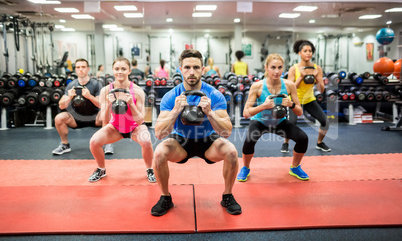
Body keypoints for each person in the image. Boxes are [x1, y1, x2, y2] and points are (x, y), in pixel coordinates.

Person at [151, 49, 241, 216]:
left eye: (196, 67)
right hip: (181, 141)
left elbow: (227, 131)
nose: (191, 72)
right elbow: (159, 133)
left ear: (203, 69)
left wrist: (210, 113)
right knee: (158, 154)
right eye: (187, 67)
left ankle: (227, 195)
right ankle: (165, 197)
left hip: (208, 140)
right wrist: (175, 111)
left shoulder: (214, 95)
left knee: (232, 152)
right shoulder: (171, 96)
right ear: (180, 70)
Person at [237, 53, 309, 182]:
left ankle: (295, 167)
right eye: (273, 67)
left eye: (280, 67)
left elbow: (299, 112)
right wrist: (263, 106)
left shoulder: (289, 85)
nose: (277, 71)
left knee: (303, 138)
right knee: (249, 140)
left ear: (283, 68)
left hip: (279, 122)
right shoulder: (257, 86)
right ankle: (246, 168)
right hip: (259, 122)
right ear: (266, 68)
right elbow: (246, 113)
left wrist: (291, 104)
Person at [88, 57, 156, 183]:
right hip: (116, 127)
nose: (120, 72)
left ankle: (150, 169)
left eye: (123, 69)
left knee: (146, 141)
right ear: (113, 71)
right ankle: (101, 169)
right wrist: (108, 104)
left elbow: (141, 120)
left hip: (135, 127)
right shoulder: (106, 90)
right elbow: (106, 119)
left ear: (129, 71)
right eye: (117, 69)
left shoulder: (137, 91)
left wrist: (131, 104)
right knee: (94, 142)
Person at [52, 58, 113, 155]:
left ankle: (107, 143)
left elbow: (102, 104)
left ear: (88, 69)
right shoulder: (71, 85)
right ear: (75, 69)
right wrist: (69, 97)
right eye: (78, 67)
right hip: (76, 119)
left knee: (107, 112)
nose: (81, 69)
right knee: (59, 118)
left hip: (95, 117)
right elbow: (61, 105)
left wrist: (89, 97)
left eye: (83, 67)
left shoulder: (96, 84)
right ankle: (65, 145)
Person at [281, 39, 330, 153]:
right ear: (299, 53)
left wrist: (318, 78)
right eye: (305, 51)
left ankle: (319, 143)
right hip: (294, 100)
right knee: (291, 123)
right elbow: (289, 89)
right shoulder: (294, 68)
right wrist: (301, 77)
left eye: (310, 51)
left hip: (309, 100)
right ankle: (286, 143)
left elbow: (321, 89)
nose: (308, 53)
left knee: (324, 121)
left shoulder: (317, 68)